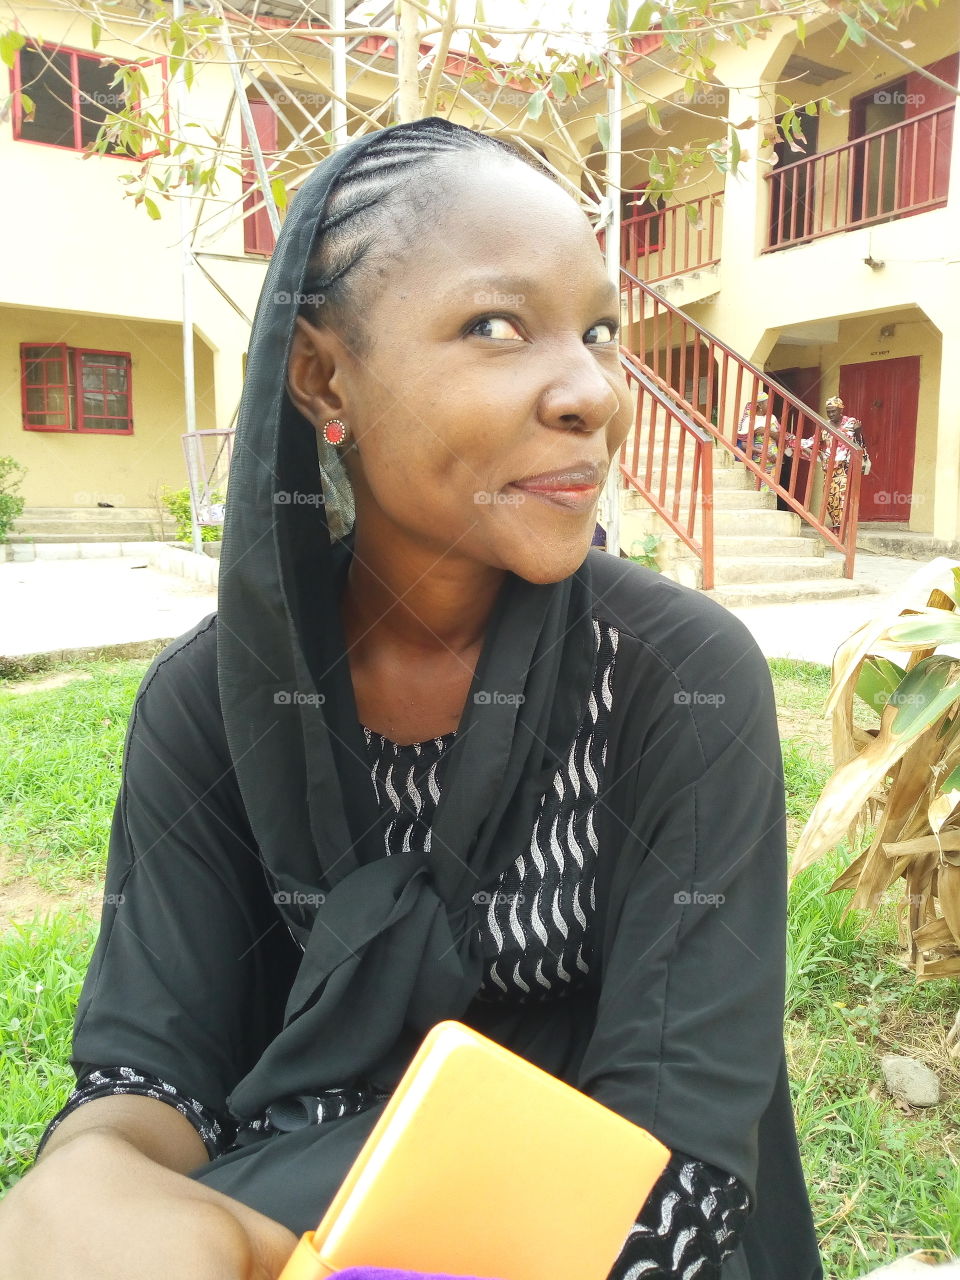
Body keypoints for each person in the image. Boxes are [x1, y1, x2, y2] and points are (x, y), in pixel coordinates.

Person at [0, 117, 823, 1280]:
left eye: (597, 330)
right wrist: (89, 1178)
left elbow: (678, 1141)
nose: (592, 389)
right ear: (323, 374)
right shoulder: (211, 702)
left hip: (614, 1215)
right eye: (496, 325)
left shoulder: (679, 677)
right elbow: (153, 1070)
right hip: (307, 1186)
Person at [800, 395, 869, 534]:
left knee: (840, 496)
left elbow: (860, 445)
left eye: (833, 411)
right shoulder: (824, 425)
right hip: (829, 466)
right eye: (828, 411)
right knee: (830, 499)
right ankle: (836, 524)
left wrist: (858, 431)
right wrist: (793, 442)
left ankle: (840, 528)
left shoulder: (851, 423)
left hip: (844, 466)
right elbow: (813, 441)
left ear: (840, 409)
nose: (831, 414)